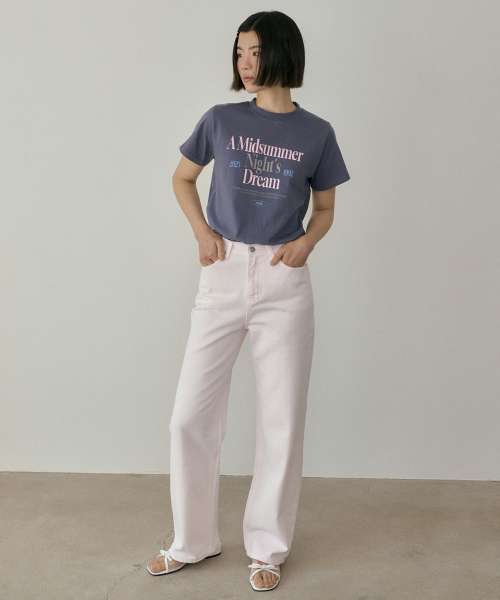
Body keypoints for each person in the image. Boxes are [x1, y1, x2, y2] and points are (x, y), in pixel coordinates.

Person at [147, 10, 350, 592]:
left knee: (281, 421)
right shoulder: (221, 119)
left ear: (283, 52)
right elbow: (182, 178)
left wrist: (306, 243)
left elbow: (326, 208)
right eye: (239, 52)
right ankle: (192, 541)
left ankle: (267, 548)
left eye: (255, 51)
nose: (245, 63)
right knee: (189, 416)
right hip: (224, 272)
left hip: (284, 281)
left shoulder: (317, 133)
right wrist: (202, 234)